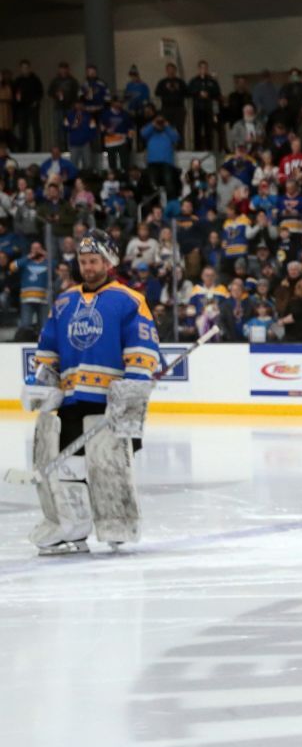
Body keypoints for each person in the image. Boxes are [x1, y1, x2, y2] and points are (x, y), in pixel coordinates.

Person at [22, 230, 161, 555]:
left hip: (112, 402)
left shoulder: (128, 300)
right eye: (83, 261)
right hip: (72, 403)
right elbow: (48, 350)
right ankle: (73, 528)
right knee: (67, 468)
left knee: (107, 468)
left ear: (108, 262)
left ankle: (117, 524)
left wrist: (132, 391)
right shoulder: (64, 302)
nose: (87, 266)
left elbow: (142, 349)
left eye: (94, 260)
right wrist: (43, 384)